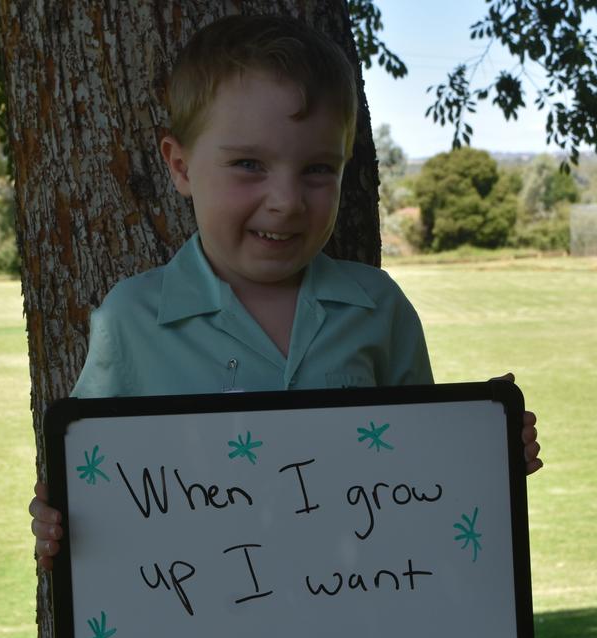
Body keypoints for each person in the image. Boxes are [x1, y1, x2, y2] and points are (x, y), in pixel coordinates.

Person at [30, 14, 541, 569]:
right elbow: (89, 484)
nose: (287, 200)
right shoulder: (130, 322)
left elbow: (417, 476)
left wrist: (485, 455)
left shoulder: (378, 309)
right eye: (249, 164)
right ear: (179, 165)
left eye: (318, 169)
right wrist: (60, 520)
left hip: (360, 633)